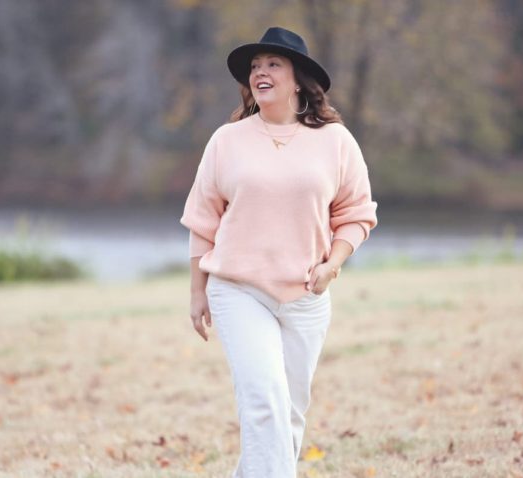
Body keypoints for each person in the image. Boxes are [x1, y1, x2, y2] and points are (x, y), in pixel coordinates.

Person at [179, 26, 378, 478]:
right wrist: (197, 292)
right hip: (238, 290)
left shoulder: (336, 141)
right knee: (264, 402)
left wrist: (333, 263)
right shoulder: (226, 141)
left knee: (288, 413)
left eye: (273, 64)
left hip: (307, 295)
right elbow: (202, 220)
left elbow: (356, 213)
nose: (260, 73)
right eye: (255, 67)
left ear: (298, 79)